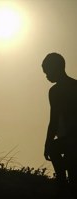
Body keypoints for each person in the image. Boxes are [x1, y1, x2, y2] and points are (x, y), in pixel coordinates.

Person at [42, 52, 77, 197]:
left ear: (55, 69)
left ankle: (62, 182)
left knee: (55, 149)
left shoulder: (55, 91)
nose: (46, 76)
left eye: (47, 72)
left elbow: (54, 120)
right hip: (69, 139)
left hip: (71, 139)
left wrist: (47, 144)